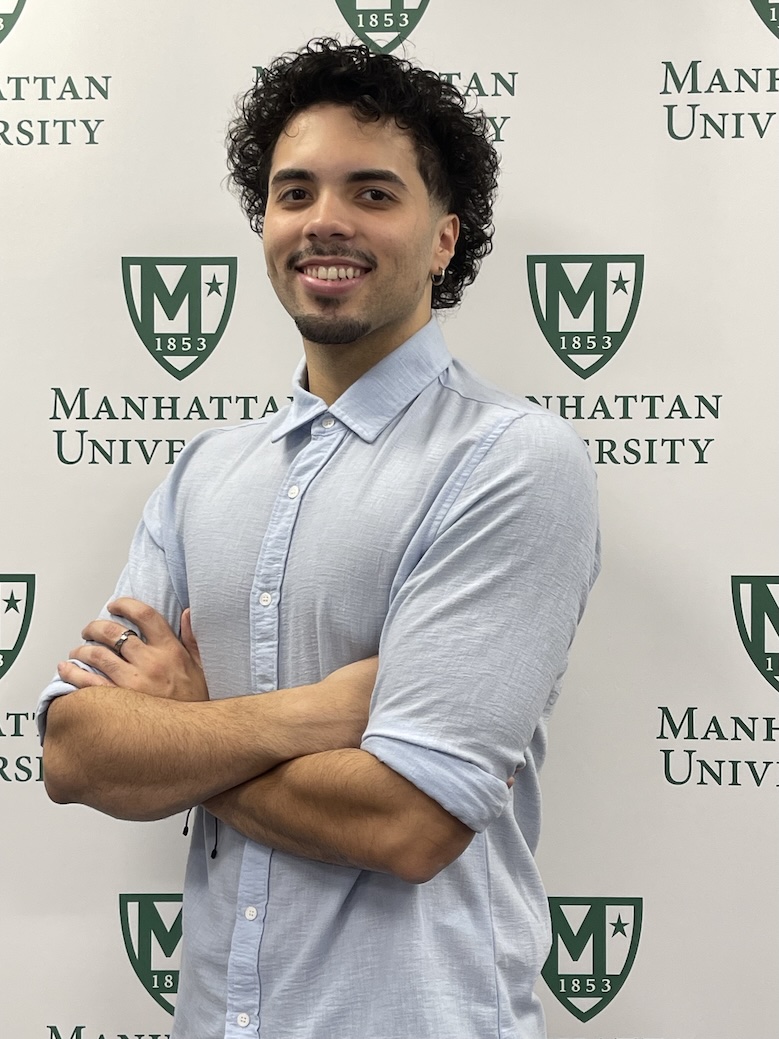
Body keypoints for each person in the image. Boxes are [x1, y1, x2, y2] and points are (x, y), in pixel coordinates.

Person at [39, 38, 600, 1039]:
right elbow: (79, 752)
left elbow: (407, 821)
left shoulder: (509, 459)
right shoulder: (205, 471)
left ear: (443, 237)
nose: (323, 221)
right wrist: (305, 716)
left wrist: (190, 726)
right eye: (292, 192)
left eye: (372, 193)